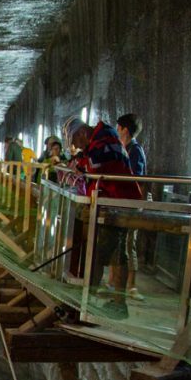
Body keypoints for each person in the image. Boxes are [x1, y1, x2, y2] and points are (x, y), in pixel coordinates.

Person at [62, 115, 143, 319]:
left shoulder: (105, 138)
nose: (77, 147)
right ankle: (117, 303)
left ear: (82, 133)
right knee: (117, 253)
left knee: (97, 253)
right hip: (113, 203)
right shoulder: (99, 140)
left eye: (76, 142)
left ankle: (85, 304)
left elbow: (96, 165)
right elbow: (88, 161)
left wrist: (79, 164)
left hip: (117, 203)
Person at [115, 114, 147, 300]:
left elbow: (136, 178)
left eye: (118, 127)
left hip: (132, 203)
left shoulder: (135, 151)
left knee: (128, 243)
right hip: (122, 200)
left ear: (125, 130)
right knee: (120, 242)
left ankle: (131, 285)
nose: (116, 130)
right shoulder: (124, 148)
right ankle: (114, 281)